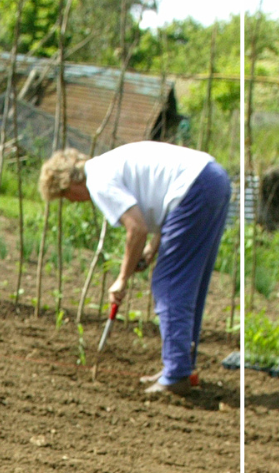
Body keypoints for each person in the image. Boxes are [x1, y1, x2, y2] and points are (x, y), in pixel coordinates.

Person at [39, 141, 231, 395]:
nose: (73, 202)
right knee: (190, 283)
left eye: (66, 197)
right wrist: (151, 250)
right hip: (212, 178)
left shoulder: (98, 181)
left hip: (196, 186)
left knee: (169, 284)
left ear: (68, 184)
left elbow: (137, 228)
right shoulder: (106, 165)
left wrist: (122, 279)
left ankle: (176, 374)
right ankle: (181, 367)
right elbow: (166, 207)